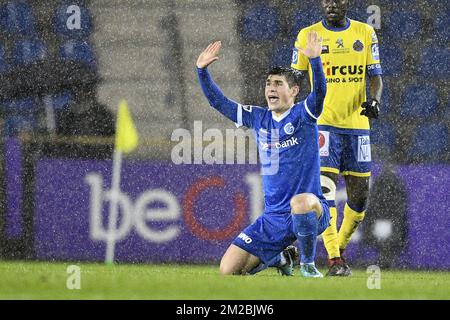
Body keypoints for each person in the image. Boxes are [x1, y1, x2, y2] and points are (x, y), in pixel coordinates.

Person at [196, 32, 329, 278]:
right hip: (273, 219)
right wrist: (202, 72)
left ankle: (308, 265)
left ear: (295, 91)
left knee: (300, 202)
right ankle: (282, 257)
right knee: (229, 272)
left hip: (311, 209)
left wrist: (314, 61)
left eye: (278, 84)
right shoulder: (258, 117)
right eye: (268, 83)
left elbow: (320, 93)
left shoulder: (304, 115)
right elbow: (219, 103)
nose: (271, 88)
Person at [291, 0, 383, 276]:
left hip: (357, 126)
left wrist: (375, 101)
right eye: (326, 0)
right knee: (326, 190)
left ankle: (339, 249)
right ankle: (334, 259)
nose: (331, 4)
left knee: (360, 197)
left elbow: (376, 76)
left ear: (347, 2)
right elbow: (294, 77)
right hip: (323, 125)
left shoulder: (365, 33)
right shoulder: (307, 35)